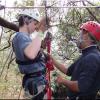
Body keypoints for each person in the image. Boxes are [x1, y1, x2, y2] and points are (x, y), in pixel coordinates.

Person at [50, 21, 100, 100]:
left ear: (86, 35)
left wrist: (63, 81)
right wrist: (52, 59)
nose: (78, 37)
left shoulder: (92, 58)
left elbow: (80, 86)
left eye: (80, 34)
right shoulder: (86, 54)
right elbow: (68, 71)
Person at [12, 9, 50, 99]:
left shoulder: (25, 38)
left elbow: (33, 53)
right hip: (35, 83)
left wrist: (43, 45)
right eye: (35, 23)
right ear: (26, 20)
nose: (36, 27)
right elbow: (31, 54)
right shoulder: (20, 36)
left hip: (37, 82)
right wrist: (41, 31)